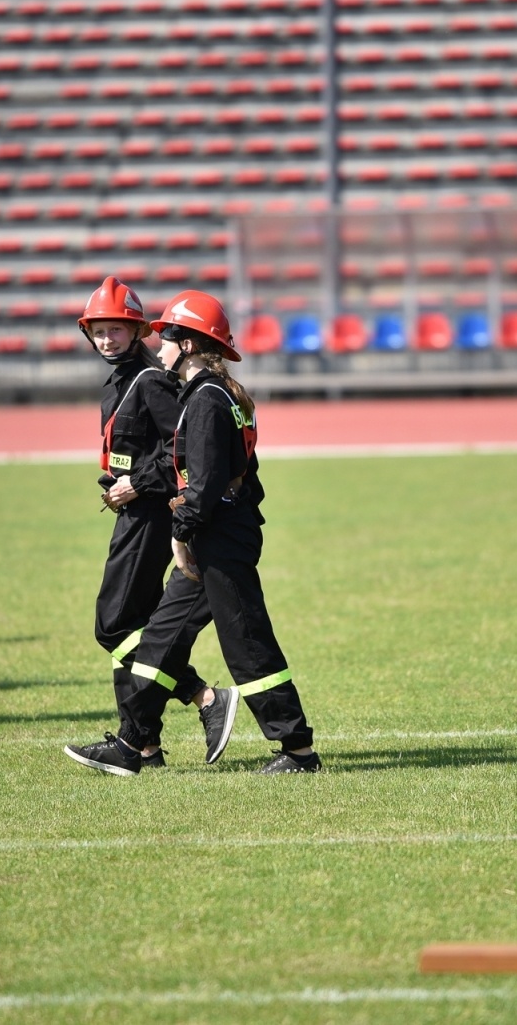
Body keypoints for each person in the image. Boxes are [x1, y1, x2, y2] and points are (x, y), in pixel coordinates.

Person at [65, 290, 319, 775]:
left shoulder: (206, 399)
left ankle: (299, 751)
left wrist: (180, 535)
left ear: (188, 345)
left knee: (246, 644)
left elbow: (201, 484)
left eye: (166, 338)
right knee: (159, 639)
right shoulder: (214, 395)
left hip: (217, 538)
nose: (158, 346)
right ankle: (133, 745)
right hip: (217, 532)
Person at [79, 276, 238, 769]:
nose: (107, 339)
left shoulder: (150, 379)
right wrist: (117, 483)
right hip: (135, 511)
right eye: (99, 331)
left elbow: (182, 450)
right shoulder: (122, 379)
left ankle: (204, 697)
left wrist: (138, 484)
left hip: (151, 516)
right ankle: (143, 745)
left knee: (114, 627)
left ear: (137, 331)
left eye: (116, 330)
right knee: (131, 626)